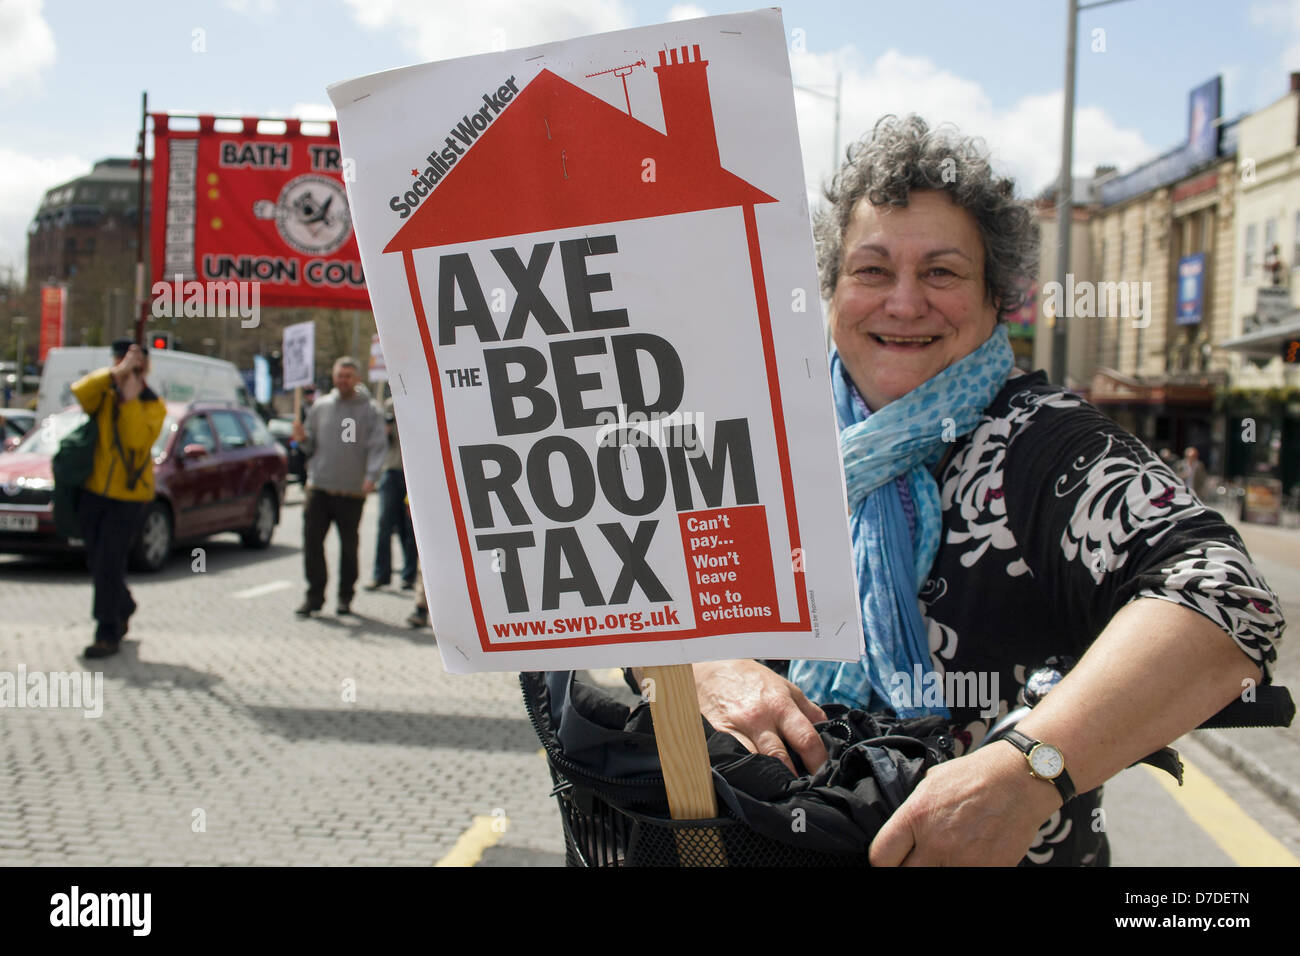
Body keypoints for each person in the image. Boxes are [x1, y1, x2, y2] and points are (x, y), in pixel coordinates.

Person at [687, 115, 1283, 866]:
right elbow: (631, 600)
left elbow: (1226, 598)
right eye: (871, 270)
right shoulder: (767, 432)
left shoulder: (1045, 443)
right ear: (831, 291)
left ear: (997, 297)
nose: (904, 303)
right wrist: (705, 666)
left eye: (941, 272)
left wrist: (1029, 770)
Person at [72, 339, 166, 659]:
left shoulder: (152, 403)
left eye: (137, 365)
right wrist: (115, 375)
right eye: (123, 362)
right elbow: (80, 392)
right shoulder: (104, 392)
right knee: (95, 558)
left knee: (109, 561)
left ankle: (107, 632)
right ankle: (123, 603)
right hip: (94, 490)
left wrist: (129, 402)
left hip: (128, 495)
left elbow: (137, 439)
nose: (130, 371)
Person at [292, 357, 387, 617]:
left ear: (357, 379)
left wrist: (371, 476)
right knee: (312, 544)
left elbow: (378, 446)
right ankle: (314, 595)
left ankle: (345, 596)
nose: (342, 380)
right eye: (339, 375)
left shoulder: (370, 410)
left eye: (348, 375)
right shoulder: (320, 407)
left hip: (351, 492)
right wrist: (301, 440)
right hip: (319, 488)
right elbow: (309, 447)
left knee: (348, 547)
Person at [365, 396, 418, 591]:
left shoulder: (419, 398)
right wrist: (384, 432)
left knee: (411, 528)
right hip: (391, 470)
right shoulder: (388, 405)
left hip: (413, 473)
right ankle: (381, 574)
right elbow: (378, 443)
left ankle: (409, 575)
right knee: (384, 523)